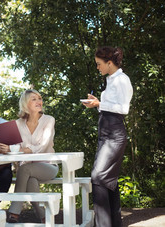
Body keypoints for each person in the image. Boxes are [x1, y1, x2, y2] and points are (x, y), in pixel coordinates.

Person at [82, 46, 133, 227]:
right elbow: (109, 105)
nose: (97, 67)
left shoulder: (122, 80)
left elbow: (123, 109)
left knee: (98, 177)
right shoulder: (111, 80)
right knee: (108, 180)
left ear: (109, 63)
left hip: (115, 136)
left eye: (99, 64)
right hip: (105, 136)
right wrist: (97, 104)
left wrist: (99, 103)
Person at [0, 89, 59, 223]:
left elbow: (42, 146)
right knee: (31, 182)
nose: (39, 101)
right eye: (34, 99)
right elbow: (14, 148)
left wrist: (17, 149)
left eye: (40, 98)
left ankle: (14, 211)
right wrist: (4, 148)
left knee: (24, 170)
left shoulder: (49, 120)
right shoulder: (18, 124)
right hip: (28, 169)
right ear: (25, 104)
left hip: (48, 166)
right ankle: (43, 216)